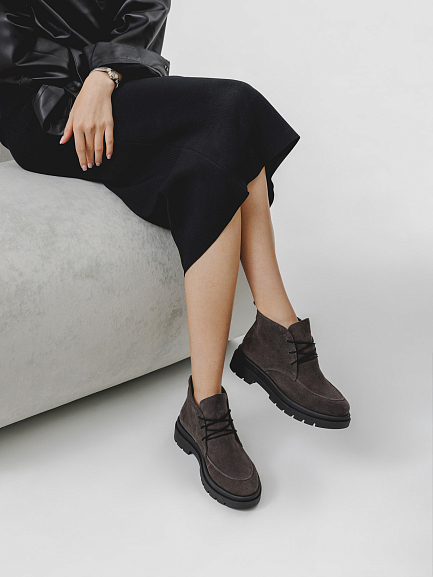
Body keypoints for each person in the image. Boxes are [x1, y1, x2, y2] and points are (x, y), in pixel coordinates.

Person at [0, 0, 350, 510]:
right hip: (42, 101)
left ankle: (206, 404)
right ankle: (276, 332)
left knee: (217, 152)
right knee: (234, 108)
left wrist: (106, 74)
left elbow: (145, 10)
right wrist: (94, 77)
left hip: (113, 83)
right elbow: (11, 39)